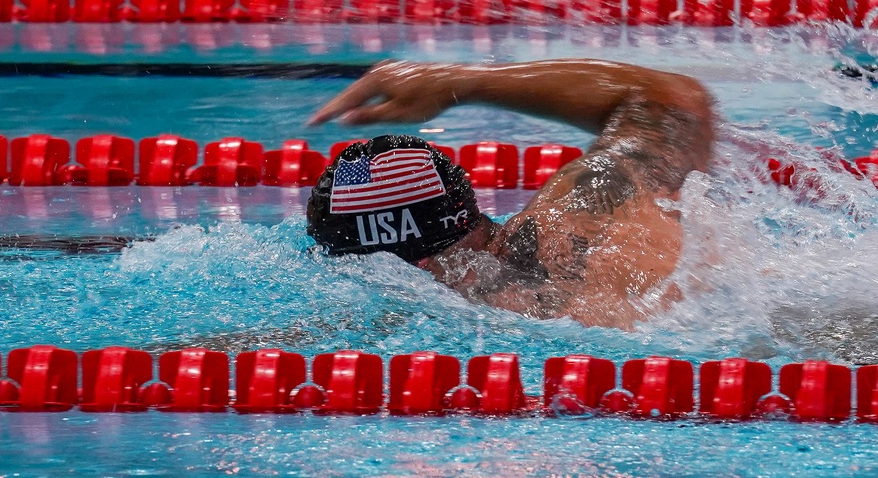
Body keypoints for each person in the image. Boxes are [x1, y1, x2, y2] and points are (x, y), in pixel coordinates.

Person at [306, 60, 715, 329]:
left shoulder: (490, 315)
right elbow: (675, 101)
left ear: (407, 267)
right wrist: (463, 83)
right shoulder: (585, 198)